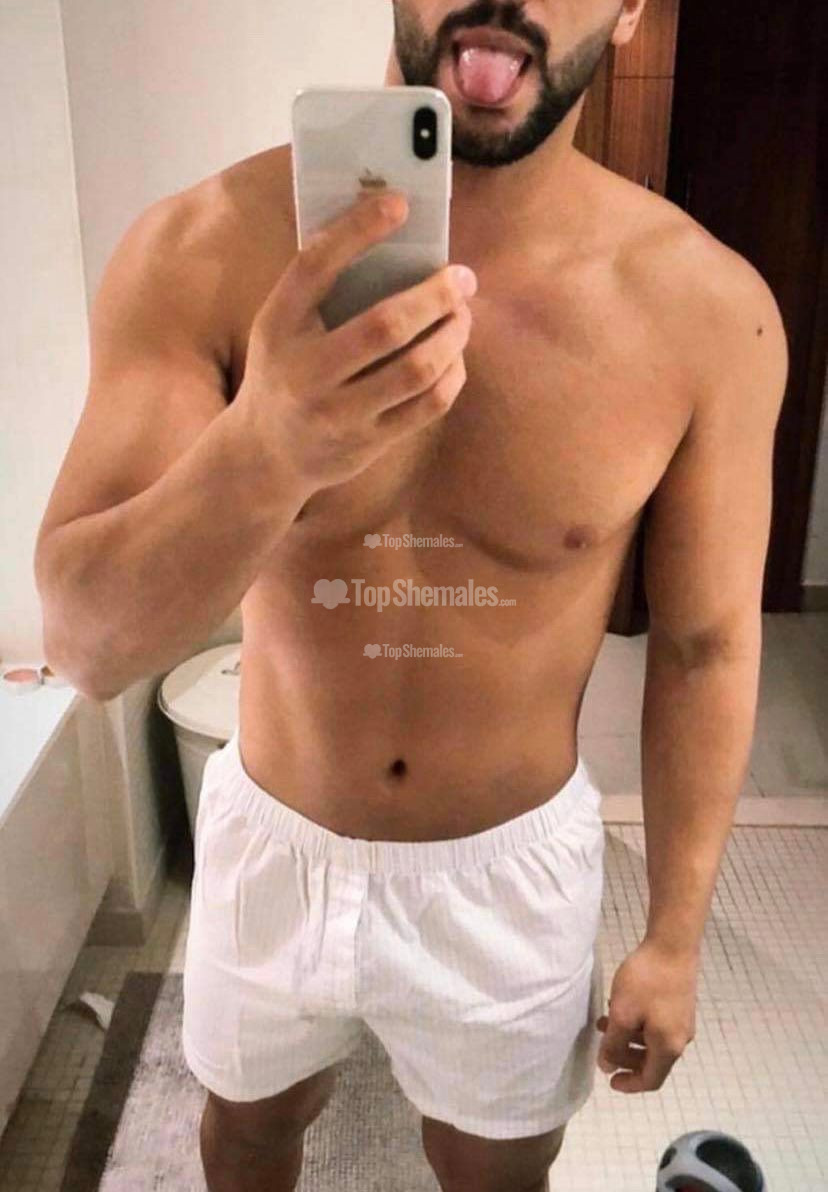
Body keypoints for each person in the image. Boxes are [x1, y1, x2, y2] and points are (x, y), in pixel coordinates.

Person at [34, 1, 788, 1189]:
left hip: (507, 872)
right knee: (245, 1135)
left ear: (632, 10)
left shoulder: (707, 311)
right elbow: (85, 644)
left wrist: (676, 935)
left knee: (494, 1172)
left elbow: (705, 647)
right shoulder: (204, 252)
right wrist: (268, 447)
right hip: (275, 839)